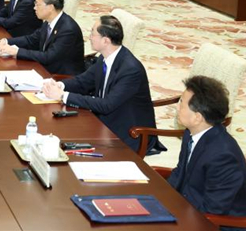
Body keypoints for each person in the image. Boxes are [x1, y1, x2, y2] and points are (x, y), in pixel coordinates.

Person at [41, 16, 162, 153]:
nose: (90, 37)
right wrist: (59, 85)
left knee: (69, 144)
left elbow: (106, 105)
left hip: (128, 132)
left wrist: (63, 96)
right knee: (58, 131)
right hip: (104, 120)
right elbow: (83, 81)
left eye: (93, 33)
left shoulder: (130, 69)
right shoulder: (104, 58)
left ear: (106, 41)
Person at [168, 76, 246, 218]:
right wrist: (161, 197)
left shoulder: (223, 156)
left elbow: (213, 210)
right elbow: (180, 172)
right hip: (189, 207)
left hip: (216, 223)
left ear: (197, 117)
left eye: (181, 103)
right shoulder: (191, 133)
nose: (177, 107)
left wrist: (177, 213)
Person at [0, 0, 85, 75]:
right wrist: (5, 41)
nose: (34, 8)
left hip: (62, 76)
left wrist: (17, 51)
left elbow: (48, 57)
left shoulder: (68, 30)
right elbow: (31, 39)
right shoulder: (49, 21)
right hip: (46, 68)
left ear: (50, 7)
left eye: (38, 5)